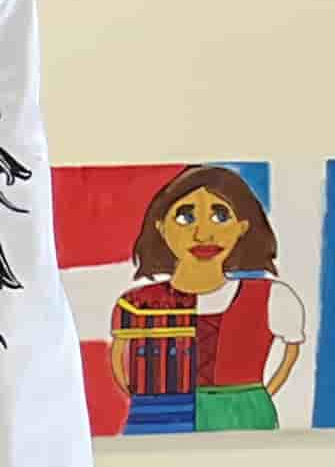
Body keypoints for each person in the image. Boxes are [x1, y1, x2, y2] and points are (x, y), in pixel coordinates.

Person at [108, 165, 307, 435]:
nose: (203, 234)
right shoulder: (136, 303)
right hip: (159, 416)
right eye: (185, 217)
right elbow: (119, 363)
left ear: (242, 227)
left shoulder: (271, 296)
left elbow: (290, 353)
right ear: (161, 227)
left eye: (220, 215)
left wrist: (254, 398)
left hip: (242, 416)